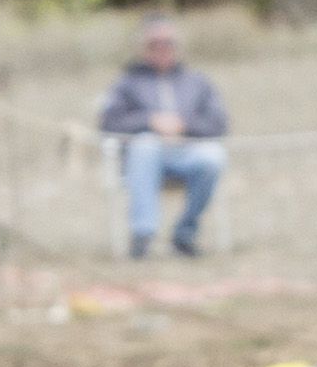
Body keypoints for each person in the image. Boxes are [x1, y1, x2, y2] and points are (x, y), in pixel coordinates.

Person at [94, 15, 230, 259]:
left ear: (177, 46)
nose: (161, 49)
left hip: (187, 152)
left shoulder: (197, 82)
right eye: (153, 44)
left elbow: (218, 123)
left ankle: (184, 234)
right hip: (142, 158)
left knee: (213, 157)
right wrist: (150, 121)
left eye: (167, 42)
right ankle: (143, 235)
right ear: (142, 48)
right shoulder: (127, 83)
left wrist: (184, 124)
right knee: (146, 145)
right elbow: (108, 122)